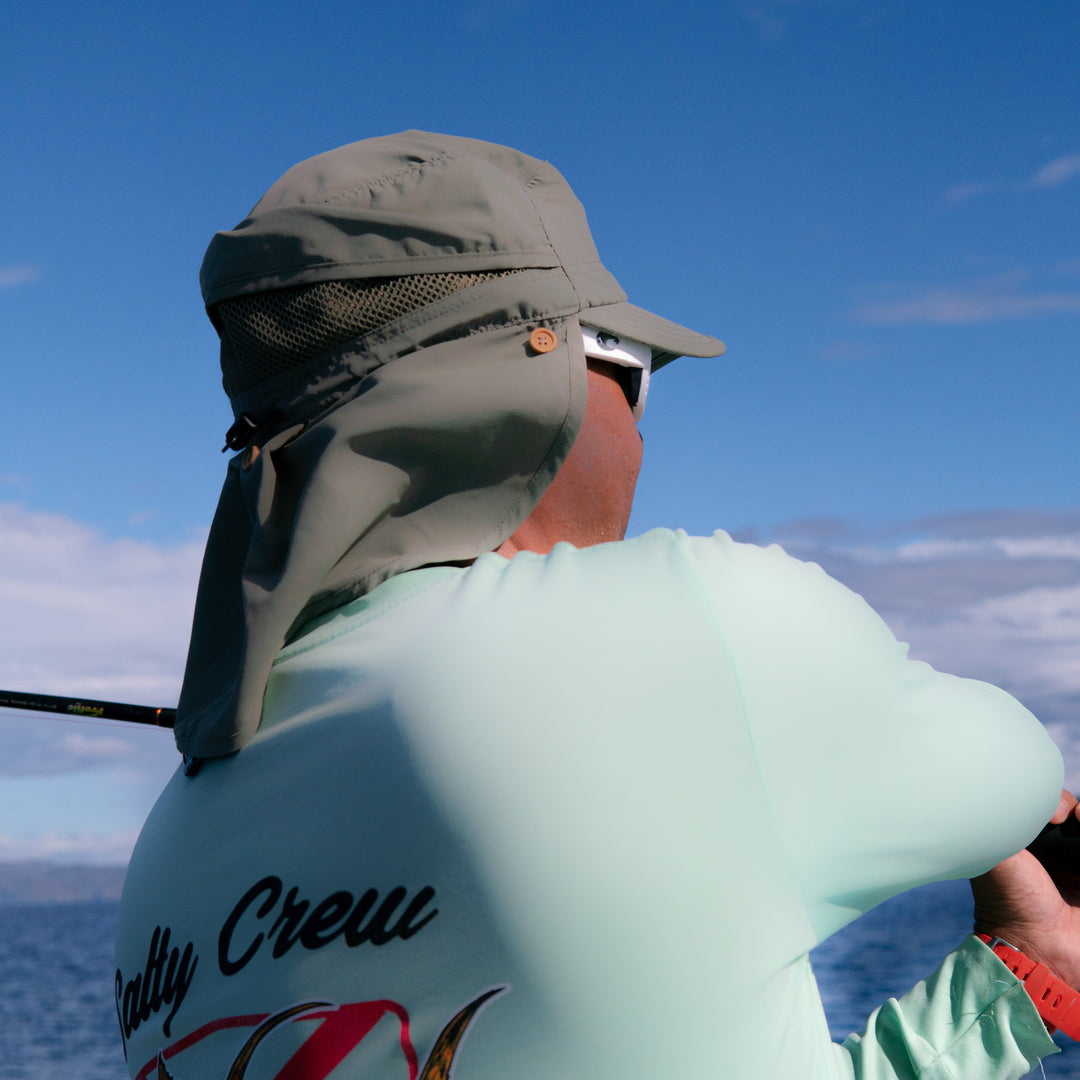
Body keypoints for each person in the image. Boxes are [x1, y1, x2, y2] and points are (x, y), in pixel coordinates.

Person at [115, 130, 1077, 1080]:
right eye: (636, 375)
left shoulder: (159, 871)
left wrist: (1012, 991)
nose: (644, 435)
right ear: (536, 378)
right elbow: (1018, 769)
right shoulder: (697, 623)